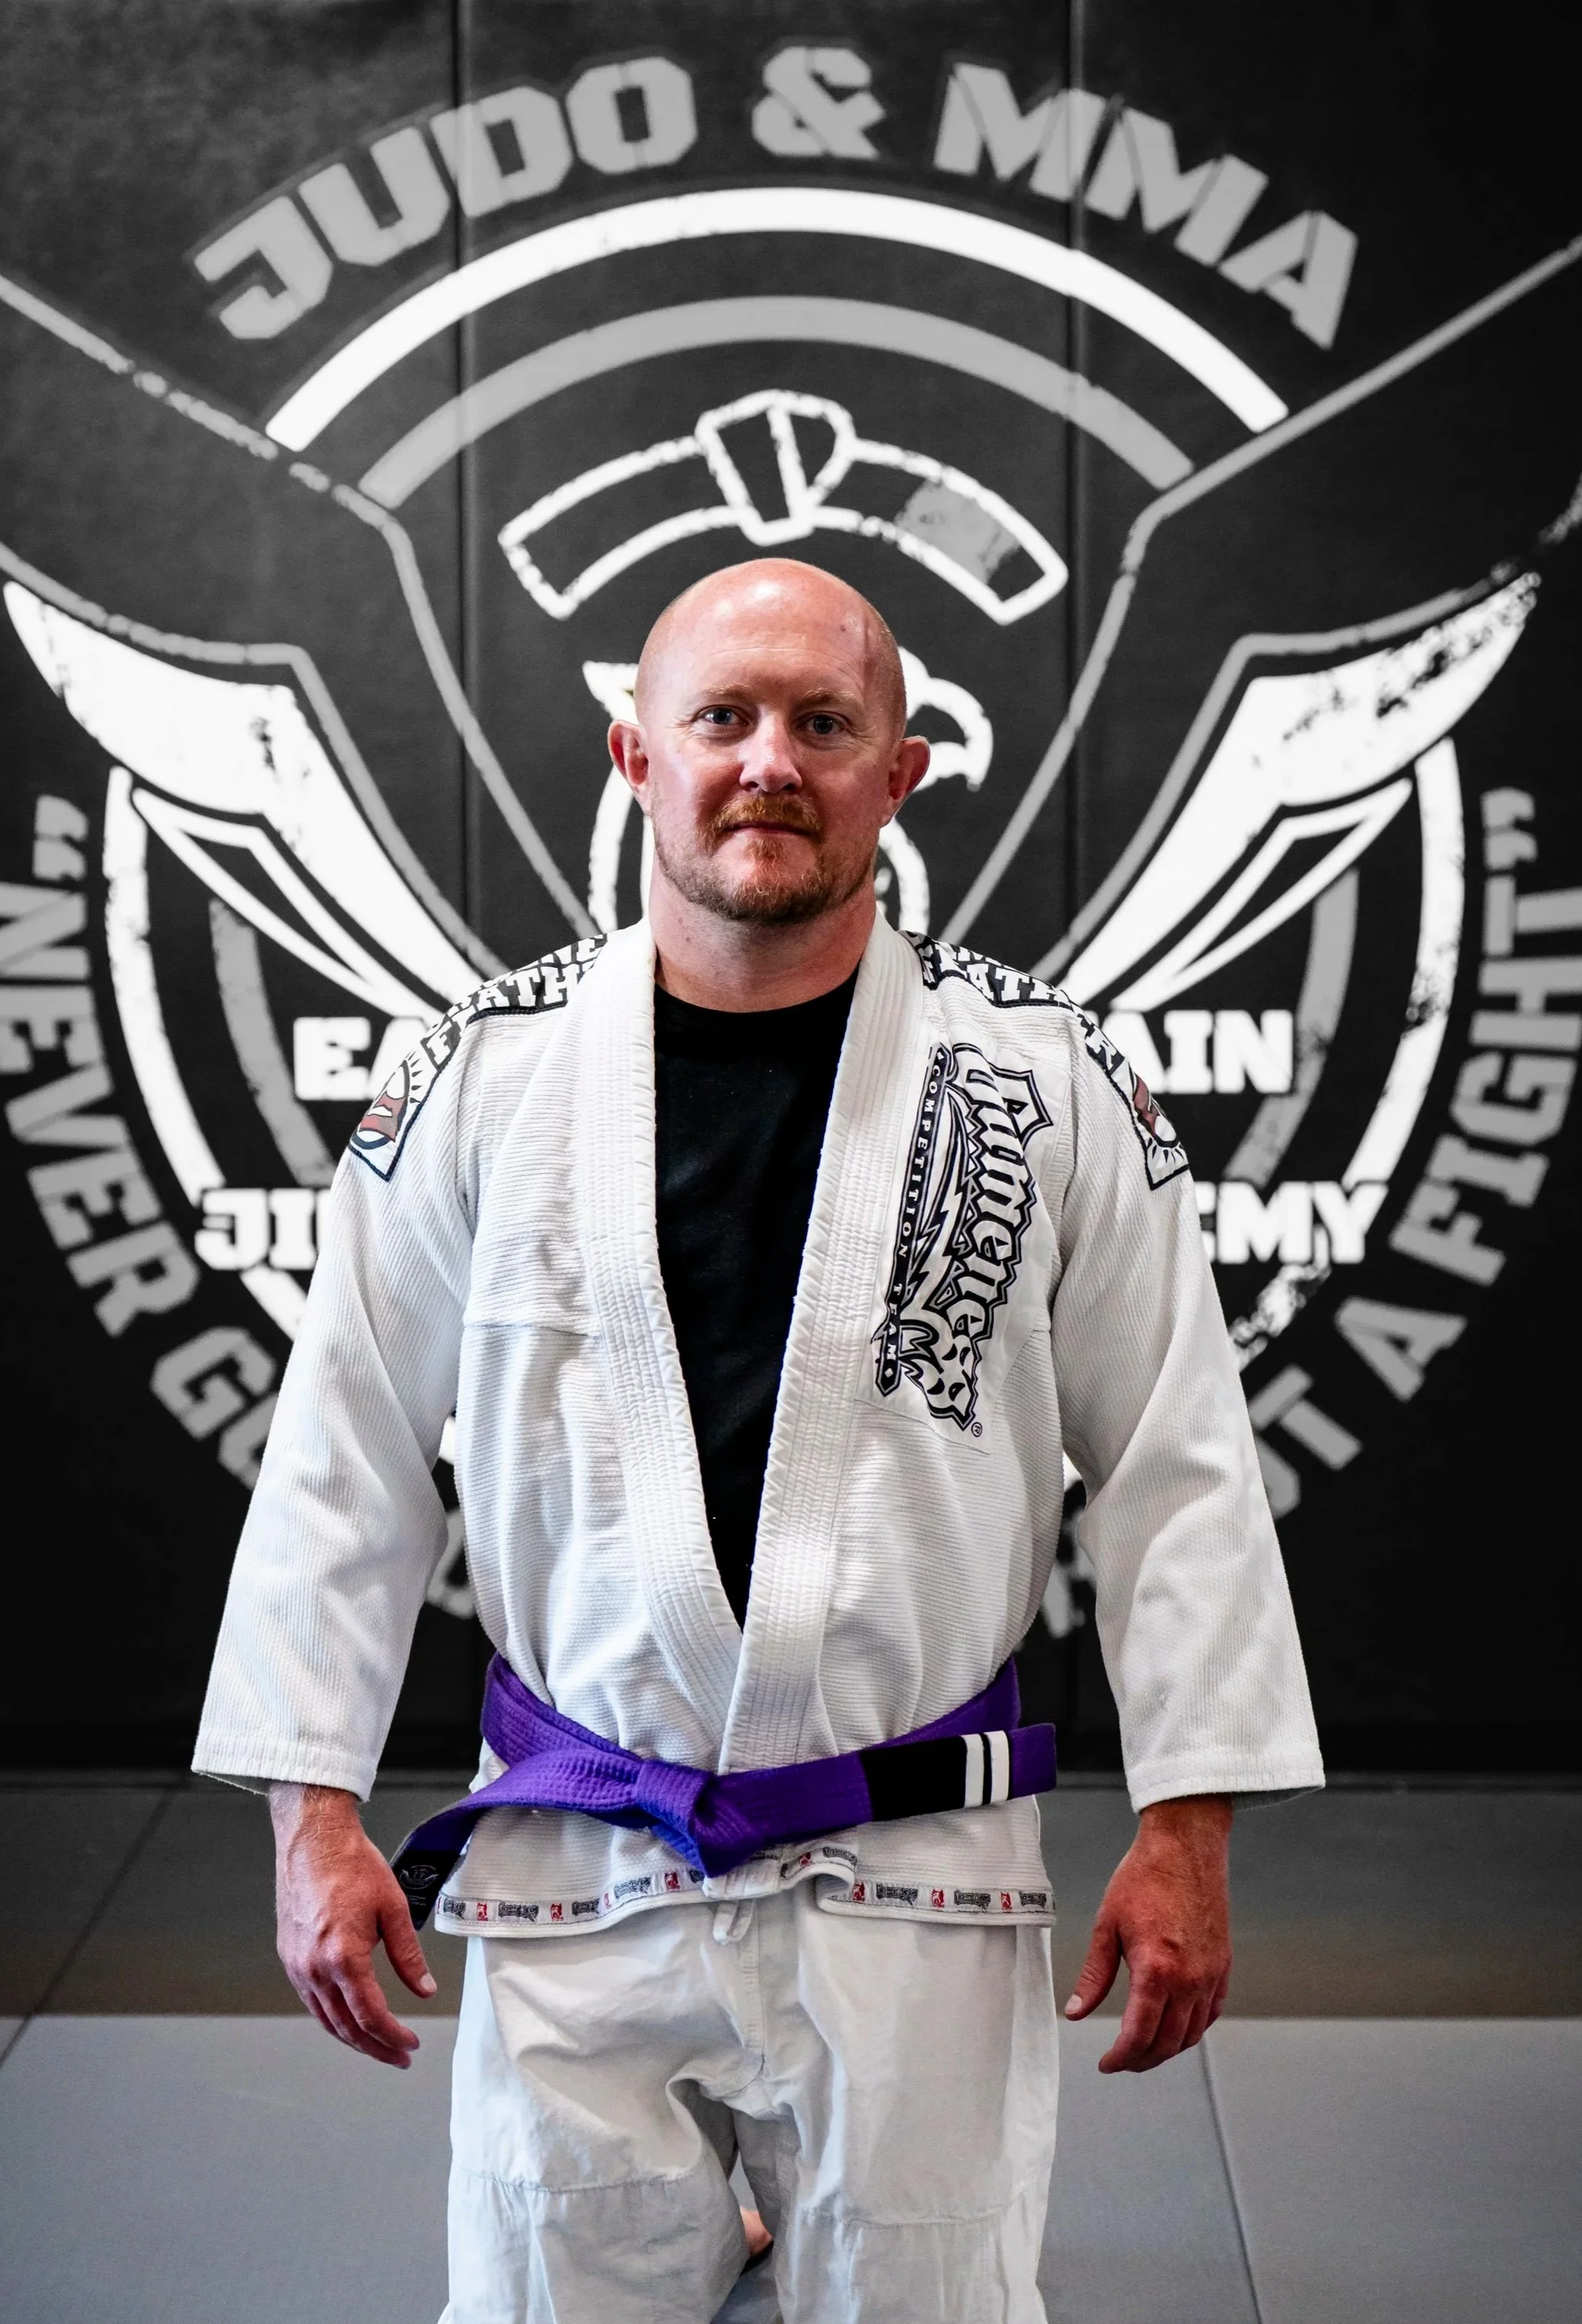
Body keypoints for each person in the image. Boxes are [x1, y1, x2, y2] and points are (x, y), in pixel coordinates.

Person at [194, 558, 1322, 2324]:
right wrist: (305, 1816)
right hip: (582, 1859)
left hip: (918, 1874)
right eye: (723, 718)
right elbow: (342, 1448)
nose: (770, 762)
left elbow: (1181, 1467)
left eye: (823, 723)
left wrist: (1191, 1830)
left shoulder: (1046, 1083)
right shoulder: (480, 1080)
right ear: (639, 755)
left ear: (903, 772)